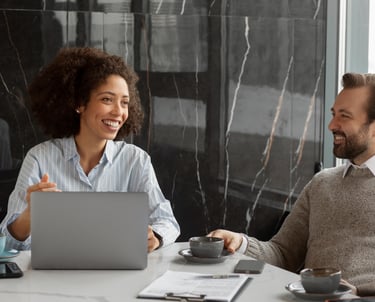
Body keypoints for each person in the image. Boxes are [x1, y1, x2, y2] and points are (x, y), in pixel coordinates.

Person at [208, 72, 375, 296]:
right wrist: (240, 243)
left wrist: (360, 295)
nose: (331, 125)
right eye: (333, 114)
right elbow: (282, 254)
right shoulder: (322, 183)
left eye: (344, 116)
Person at [0, 47, 180, 252]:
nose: (118, 112)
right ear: (79, 103)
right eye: (107, 99)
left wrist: (154, 237)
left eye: (124, 102)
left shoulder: (135, 160)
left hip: (118, 279)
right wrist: (31, 214)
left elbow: (167, 222)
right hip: (53, 280)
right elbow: (8, 242)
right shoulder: (40, 158)